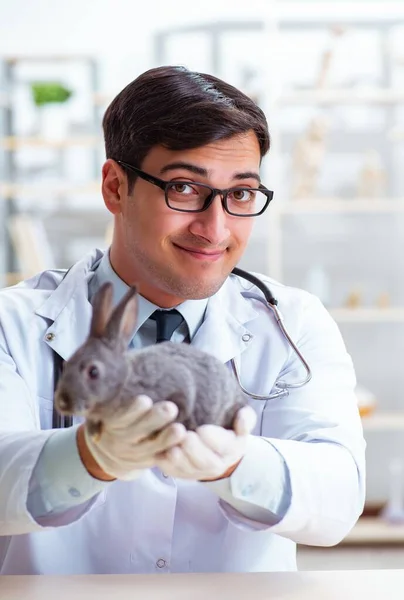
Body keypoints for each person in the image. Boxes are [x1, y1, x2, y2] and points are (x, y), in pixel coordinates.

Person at [0, 65, 365, 575]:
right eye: (185, 189)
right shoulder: (12, 324)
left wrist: (237, 464)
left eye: (240, 194)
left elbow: (338, 499)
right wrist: (89, 456)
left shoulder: (292, 324)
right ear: (115, 188)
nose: (215, 228)